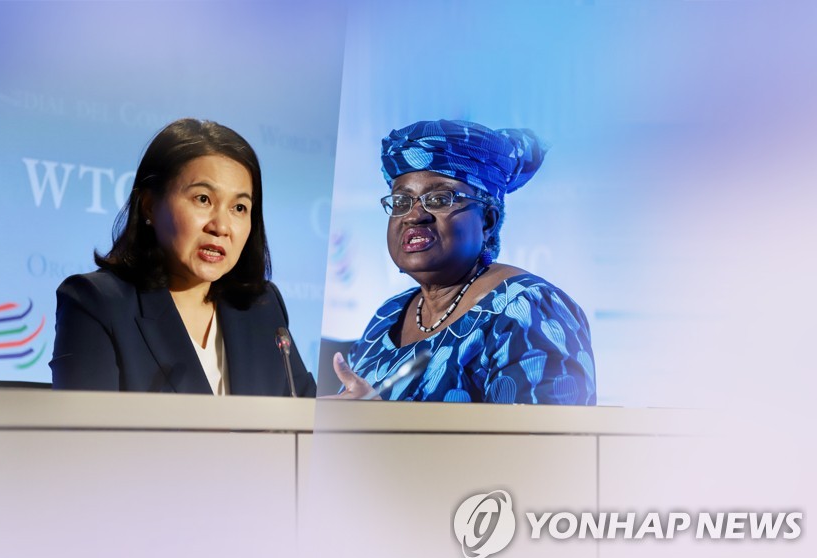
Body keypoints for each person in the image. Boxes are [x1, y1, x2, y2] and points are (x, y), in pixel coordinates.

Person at [331, 119, 595, 404]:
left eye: (440, 199)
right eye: (401, 202)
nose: (413, 215)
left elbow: (543, 444)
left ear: (488, 221)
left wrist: (378, 425)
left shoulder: (527, 308)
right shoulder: (388, 316)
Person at [51, 118, 316, 396]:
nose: (221, 227)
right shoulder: (96, 303)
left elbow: (303, 412)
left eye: (239, 207)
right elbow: (84, 434)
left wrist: (349, 405)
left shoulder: (261, 306)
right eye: (203, 199)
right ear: (150, 206)